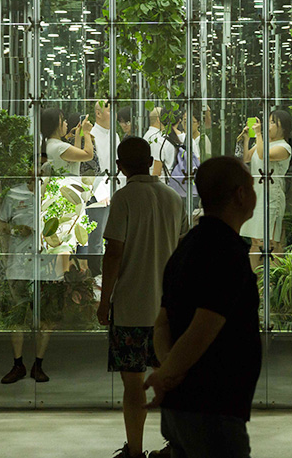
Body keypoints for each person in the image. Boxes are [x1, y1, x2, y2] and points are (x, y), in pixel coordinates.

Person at [145, 156, 260, 458]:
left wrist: (169, 370)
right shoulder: (227, 253)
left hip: (181, 407)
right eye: (251, 185)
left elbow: (162, 323)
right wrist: (168, 372)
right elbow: (204, 326)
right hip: (212, 408)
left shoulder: (188, 245)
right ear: (240, 194)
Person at [97, 137, 188, 458]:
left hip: (130, 310)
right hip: (168, 310)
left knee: (133, 385)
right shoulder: (174, 199)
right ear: (151, 162)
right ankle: (175, 447)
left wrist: (104, 299)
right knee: (172, 382)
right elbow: (181, 253)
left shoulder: (124, 199)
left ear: (120, 166)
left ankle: (134, 451)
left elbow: (113, 253)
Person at [0, 177, 64, 385]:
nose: (40, 173)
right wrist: (16, 230)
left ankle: (38, 364)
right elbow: (1, 224)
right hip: (19, 264)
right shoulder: (15, 194)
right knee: (17, 315)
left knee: (46, 318)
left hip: (46, 266)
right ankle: (18, 364)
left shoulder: (57, 196)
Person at [239, 110, 292, 268]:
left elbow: (263, 155)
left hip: (272, 196)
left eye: (272, 123)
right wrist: (247, 138)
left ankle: (273, 282)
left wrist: (258, 134)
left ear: (282, 128)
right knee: (256, 241)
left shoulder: (284, 147)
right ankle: (253, 281)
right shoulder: (262, 142)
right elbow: (247, 158)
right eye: (268, 122)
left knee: (271, 241)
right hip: (257, 195)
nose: (267, 126)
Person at [77, 100, 122, 276]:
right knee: (95, 238)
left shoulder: (115, 135)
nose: (114, 115)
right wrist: (99, 191)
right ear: (98, 114)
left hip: (114, 190)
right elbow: (89, 169)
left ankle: (107, 273)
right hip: (97, 193)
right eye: (110, 111)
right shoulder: (91, 135)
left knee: (112, 236)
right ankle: (95, 275)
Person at [40, 107, 94, 176]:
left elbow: (75, 159)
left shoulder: (51, 144)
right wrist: (86, 132)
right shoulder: (60, 147)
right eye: (63, 120)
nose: (66, 123)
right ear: (58, 124)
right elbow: (88, 155)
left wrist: (78, 135)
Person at [143, 106, 177, 180]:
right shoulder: (156, 139)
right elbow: (156, 171)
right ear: (159, 119)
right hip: (159, 184)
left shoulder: (147, 136)